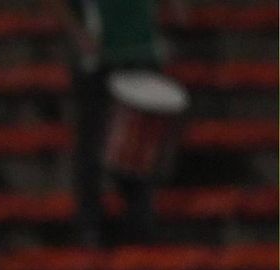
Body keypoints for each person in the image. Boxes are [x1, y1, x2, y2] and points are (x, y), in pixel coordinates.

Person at [46, 0, 186, 247]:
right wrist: (80, 36)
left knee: (143, 146)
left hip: (142, 53)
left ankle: (138, 224)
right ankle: (90, 226)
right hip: (100, 59)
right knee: (93, 145)